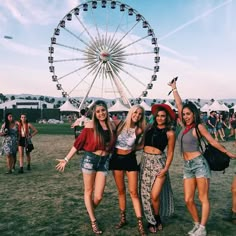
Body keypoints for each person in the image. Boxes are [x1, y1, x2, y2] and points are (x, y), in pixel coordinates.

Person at [168, 79, 236, 236]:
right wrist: (174, 88)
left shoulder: (199, 127)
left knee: (202, 197)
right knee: (188, 199)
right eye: (184, 114)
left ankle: (203, 228)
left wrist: (228, 153)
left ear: (194, 114)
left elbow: (212, 141)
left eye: (188, 114)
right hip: (187, 166)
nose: (185, 116)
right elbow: (179, 105)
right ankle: (197, 224)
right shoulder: (184, 127)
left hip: (199, 164)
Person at [56, 100, 116, 235]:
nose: (101, 113)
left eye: (103, 110)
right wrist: (66, 159)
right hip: (90, 160)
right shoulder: (90, 125)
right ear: (95, 113)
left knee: (99, 196)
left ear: (107, 110)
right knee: (89, 191)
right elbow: (78, 143)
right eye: (98, 111)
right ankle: (93, 220)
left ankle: (90, 209)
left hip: (104, 161)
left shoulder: (111, 126)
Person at [109, 105, 147, 236]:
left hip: (130, 159)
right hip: (116, 159)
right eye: (135, 112)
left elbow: (142, 145)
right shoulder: (118, 124)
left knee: (133, 192)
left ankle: (140, 223)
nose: (137, 115)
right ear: (131, 112)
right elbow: (101, 123)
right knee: (121, 191)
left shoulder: (139, 130)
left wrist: (133, 149)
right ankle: (123, 219)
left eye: (140, 114)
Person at [140, 104, 176, 233]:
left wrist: (166, 168)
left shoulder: (170, 133)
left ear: (166, 118)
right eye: (158, 116)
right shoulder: (148, 128)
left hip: (159, 162)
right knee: (145, 194)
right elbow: (141, 145)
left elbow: (171, 153)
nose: (160, 118)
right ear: (155, 117)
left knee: (154, 195)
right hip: (145, 161)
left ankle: (157, 217)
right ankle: (151, 221)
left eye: (163, 116)